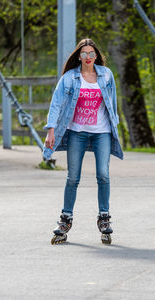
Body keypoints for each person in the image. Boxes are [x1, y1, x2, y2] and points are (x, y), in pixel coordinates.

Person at [43, 38, 123, 244]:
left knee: (103, 175)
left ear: (96, 56)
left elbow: (112, 103)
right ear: (79, 56)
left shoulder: (106, 75)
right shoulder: (70, 78)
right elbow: (56, 104)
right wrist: (50, 130)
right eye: (84, 54)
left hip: (101, 132)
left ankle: (104, 218)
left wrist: (115, 123)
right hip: (77, 132)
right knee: (73, 177)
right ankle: (65, 219)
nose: (88, 57)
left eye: (91, 54)